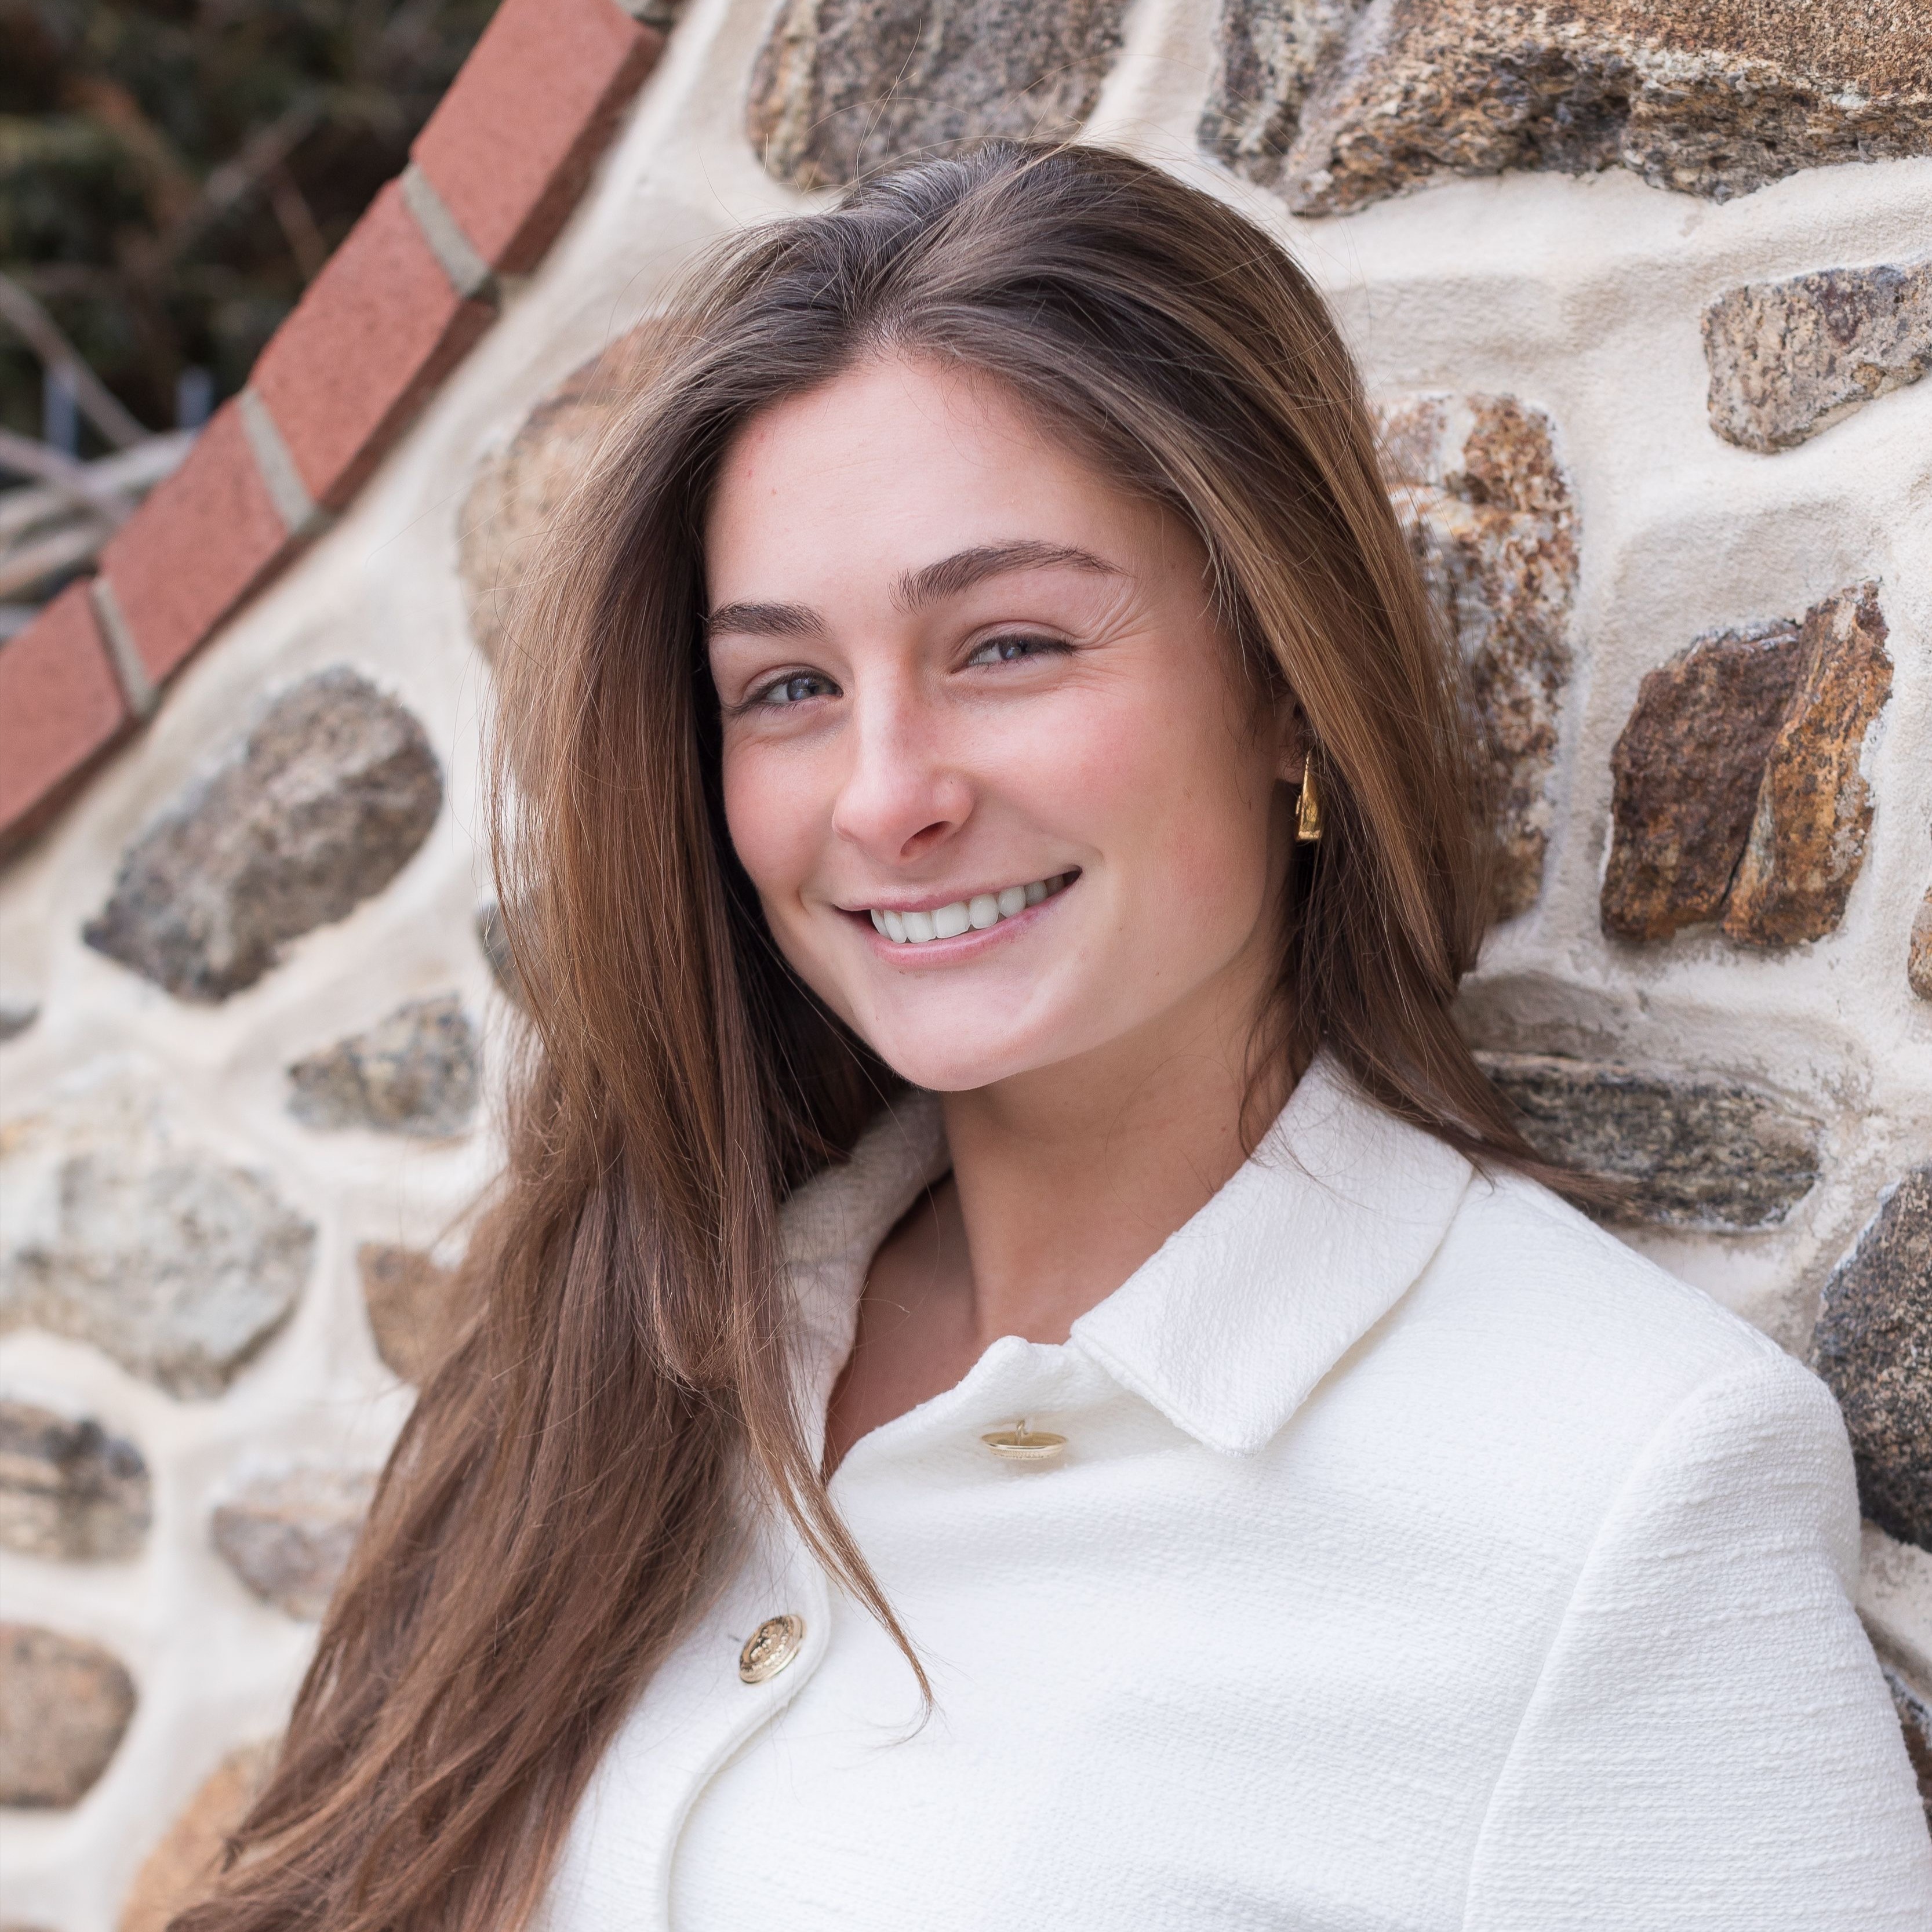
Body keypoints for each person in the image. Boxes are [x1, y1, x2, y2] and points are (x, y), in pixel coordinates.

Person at [182, 142, 1931, 1932]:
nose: (886, 796)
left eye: (1008, 645)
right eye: (787, 687)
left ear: (1285, 682)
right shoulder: (636, 1346)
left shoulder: (1623, 1487)